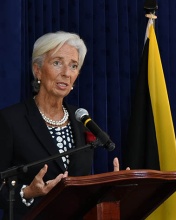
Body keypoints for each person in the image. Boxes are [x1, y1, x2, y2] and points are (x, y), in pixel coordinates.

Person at [0, 31, 121, 219]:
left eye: (73, 66)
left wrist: (109, 186)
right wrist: (27, 192)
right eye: (57, 63)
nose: (66, 73)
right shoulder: (11, 120)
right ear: (37, 70)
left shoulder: (82, 119)